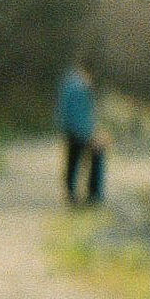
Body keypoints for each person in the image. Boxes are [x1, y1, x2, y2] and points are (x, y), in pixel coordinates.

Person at [56, 62, 103, 204]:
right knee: (94, 158)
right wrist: (92, 134)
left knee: (72, 161)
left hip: (70, 130)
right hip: (82, 131)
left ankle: (71, 193)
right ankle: (93, 194)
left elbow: (63, 110)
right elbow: (85, 114)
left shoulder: (68, 85)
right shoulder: (83, 88)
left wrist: (63, 127)